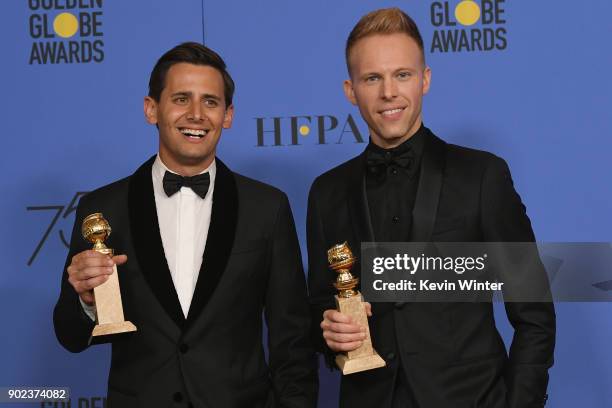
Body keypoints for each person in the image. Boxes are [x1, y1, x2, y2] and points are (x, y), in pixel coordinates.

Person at [307, 8, 555, 408]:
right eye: (373, 78)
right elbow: (321, 303)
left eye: (402, 74)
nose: (389, 92)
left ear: (425, 80)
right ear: (351, 90)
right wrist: (329, 334)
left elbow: (535, 314)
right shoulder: (326, 193)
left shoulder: (482, 176)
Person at [54, 42, 318, 408]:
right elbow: (68, 335)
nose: (196, 114)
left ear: (228, 115)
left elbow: (292, 340)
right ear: (152, 109)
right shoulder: (102, 209)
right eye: (181, 99)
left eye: (210, 102)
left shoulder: (267, 208)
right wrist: (85, 302)